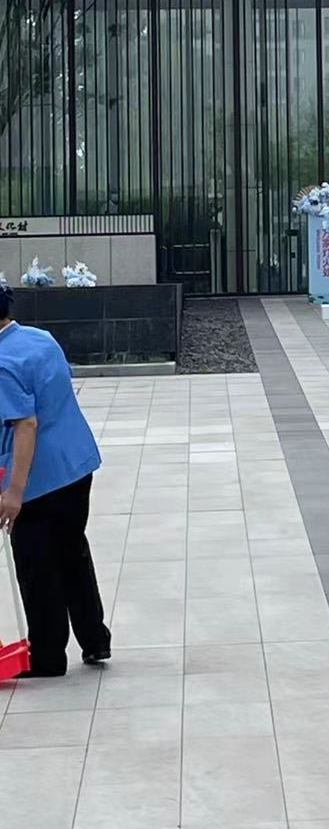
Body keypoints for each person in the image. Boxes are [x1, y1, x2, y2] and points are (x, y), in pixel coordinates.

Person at [0, 284, 111, 677]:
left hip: (38, 476)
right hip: (76, 463)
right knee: (71, 551)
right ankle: (95, 639)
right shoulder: (39, 339)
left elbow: (25, 425)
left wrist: (14, 493)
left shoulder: (2, 363)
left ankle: (47, 657)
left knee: (36, 564)